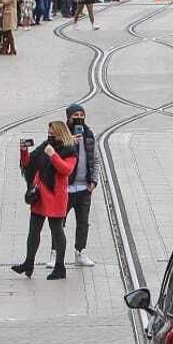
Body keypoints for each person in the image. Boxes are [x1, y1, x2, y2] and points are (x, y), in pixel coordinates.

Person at [13, 122, 79, 280]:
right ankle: (28, 263)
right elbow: (29, 163)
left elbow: (66, 170)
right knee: (33, 230)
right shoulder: (45, 145)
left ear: (61, 134)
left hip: (56, 196)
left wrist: (53, 155)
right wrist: (24, 151)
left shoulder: (69, 150)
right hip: (40, 194)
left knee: (56, 230)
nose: (50, 136)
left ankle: (60, 267)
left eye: (53, 134)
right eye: (49, 133)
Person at [54, 105, 99, 270]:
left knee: (83, 223)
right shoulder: (61, 135)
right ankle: (55, 253)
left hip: (84, 188)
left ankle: (80, 252)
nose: (79, 118)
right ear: (68, 117)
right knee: (58, 223)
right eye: (75, 115)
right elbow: (54, 157)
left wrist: (93, 181)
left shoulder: (89, 134)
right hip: (65, 189)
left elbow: (94, 159)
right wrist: (69, 142)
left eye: (81, 114)